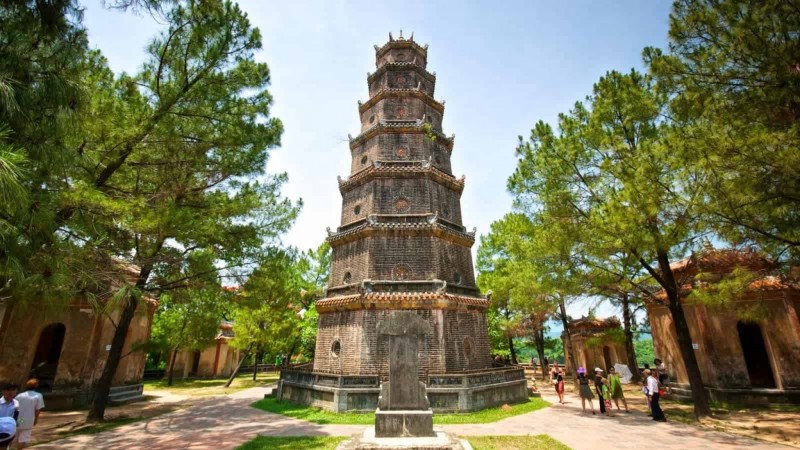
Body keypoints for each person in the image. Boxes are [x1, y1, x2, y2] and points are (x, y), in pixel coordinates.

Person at [14, 379, 44, 449]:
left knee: (16, 434)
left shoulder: (20, 395)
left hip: (20, 419)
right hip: (29, 419)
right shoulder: (38, 396)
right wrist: (36, 419)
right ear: (36, 386)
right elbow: (38, 409)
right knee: (24, 438)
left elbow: (14, 408)